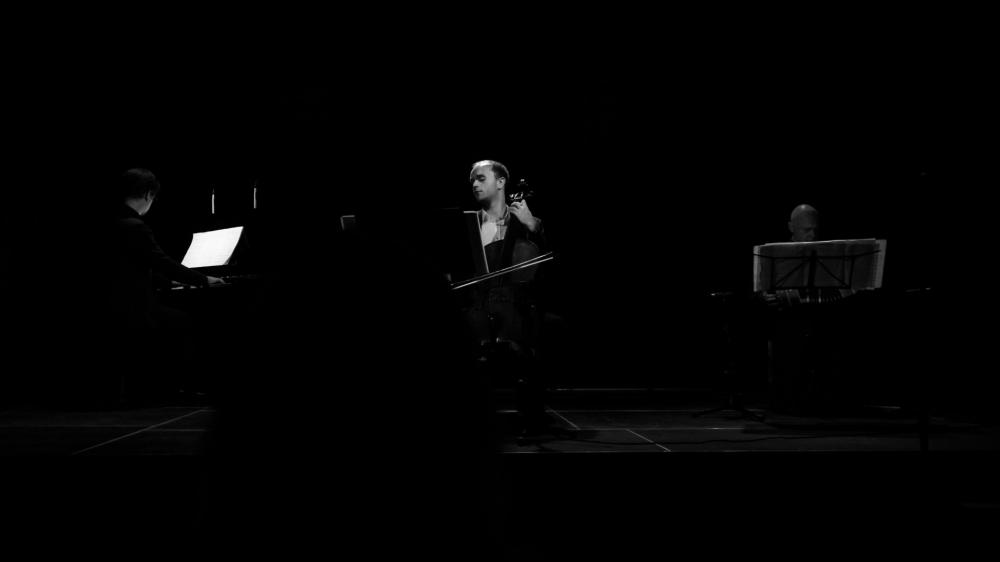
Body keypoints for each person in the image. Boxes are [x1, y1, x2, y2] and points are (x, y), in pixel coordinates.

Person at [106, 168, 225, 405]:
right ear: (148, 194)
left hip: (111, 305)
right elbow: (160, 262)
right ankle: (178, 388)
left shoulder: (111, 223)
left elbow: (133, 266)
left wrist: (170, 282)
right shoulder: (135, 226)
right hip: (131, 309)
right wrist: (203, 279)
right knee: (183, 321)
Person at [464, 159, 556, 439]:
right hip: (476, 304)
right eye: (472, 181)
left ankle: (532, 417)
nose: (475, 184)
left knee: (524, 347)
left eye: (481, 178)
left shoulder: (527, 223)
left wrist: (532, 225)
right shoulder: (469, 223)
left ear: (501, 182)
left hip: (516, 307)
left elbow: (547, 267)